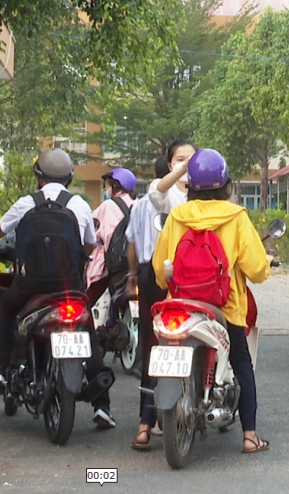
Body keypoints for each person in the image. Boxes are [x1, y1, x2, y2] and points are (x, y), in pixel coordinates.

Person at [0, 149, 116, 428]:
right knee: (88, 333)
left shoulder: (27, 202)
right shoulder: (80, 205)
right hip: (70, 288)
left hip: (30, 286)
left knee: (3, 307)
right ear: (70, 177)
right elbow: (89, 244)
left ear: (38, 177)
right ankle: (103, 407)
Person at [152, 149, 272, 453]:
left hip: (180, 305)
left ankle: (149, 422)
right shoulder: (236, 217)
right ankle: (249, 436)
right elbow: (257, 269)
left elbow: (158, 268)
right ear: (226, 185)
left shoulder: (178, 216)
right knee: (242, 365)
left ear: (190, 185)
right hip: (224, 308)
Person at [127, 156, 170, 451]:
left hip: (145, 272)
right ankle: (160, 416)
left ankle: (147, 419)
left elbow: (131, 243)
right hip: (168, 273)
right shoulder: (173, 200)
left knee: (150, 343)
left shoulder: (140, 203)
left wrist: (132, 275)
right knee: (173, 340)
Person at [85, 167, 138, 306]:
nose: (105, 190)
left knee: (87, 301)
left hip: (111, 266)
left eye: (106, 186)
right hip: (137, 264)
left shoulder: (107, 205)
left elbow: (91, 231)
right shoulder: (139, 203)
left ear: (115, 186)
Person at [147, 140, 197, 214]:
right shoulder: (166, 189)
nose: (187, 163)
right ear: (170, 166)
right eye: (180, 160)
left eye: (191, 159)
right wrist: (183, 168)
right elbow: (156, 192)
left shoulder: (206, 188)